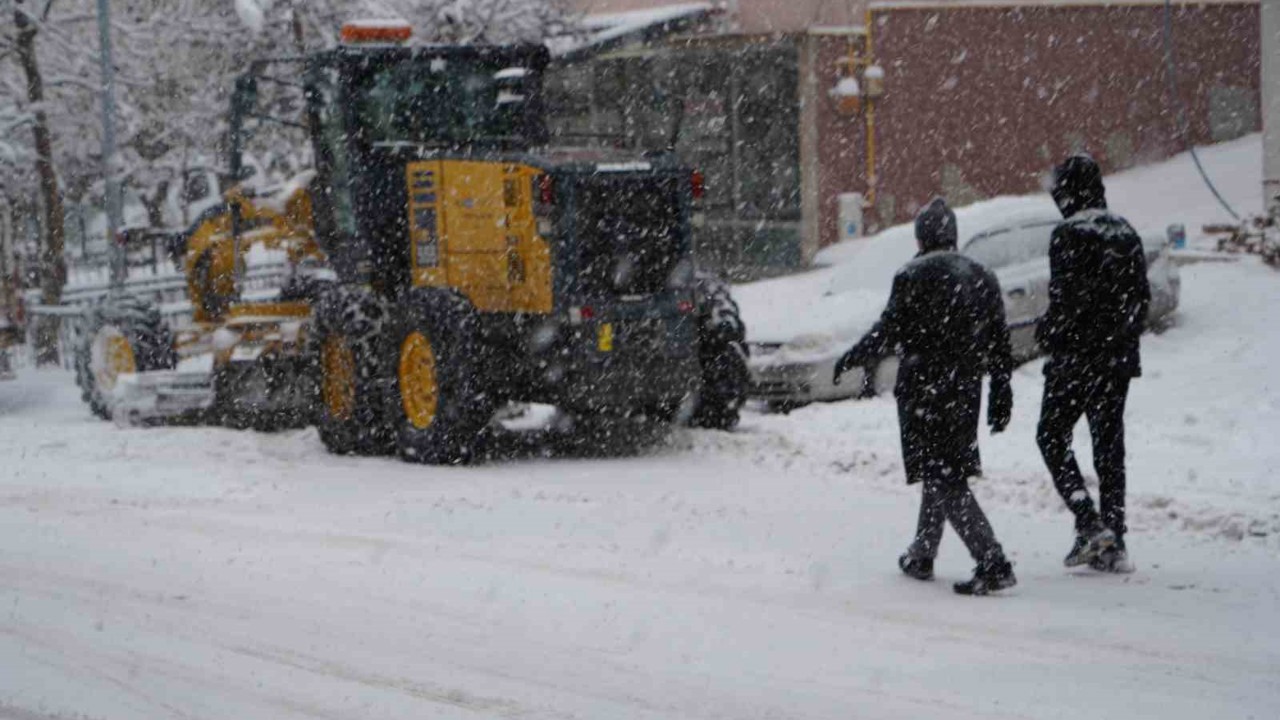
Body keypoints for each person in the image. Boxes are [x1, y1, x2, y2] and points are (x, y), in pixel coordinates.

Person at [834, 197, 1016, 596]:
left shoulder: (911, 275)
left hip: (923, 390)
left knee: (943, 476)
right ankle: (922, 552)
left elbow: (889, 330)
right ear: (952, 235)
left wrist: (853, 355)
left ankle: (992, 560)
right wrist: (1002, 389)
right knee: (944, 470)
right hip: (966, 388)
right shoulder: (981, 274)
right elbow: (1000, 341)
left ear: (921, 236)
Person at [1036, 154, 1150, 573]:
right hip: (1116, 361)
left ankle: (1088, 520)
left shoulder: (1068, 234)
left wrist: (1050, 333)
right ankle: (1114, 539)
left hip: (1075, 359)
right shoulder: (1125, 232)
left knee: (1051, 436)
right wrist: (1121, 336)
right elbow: (1140, 300)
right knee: (1109, 447)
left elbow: (1066, 300)